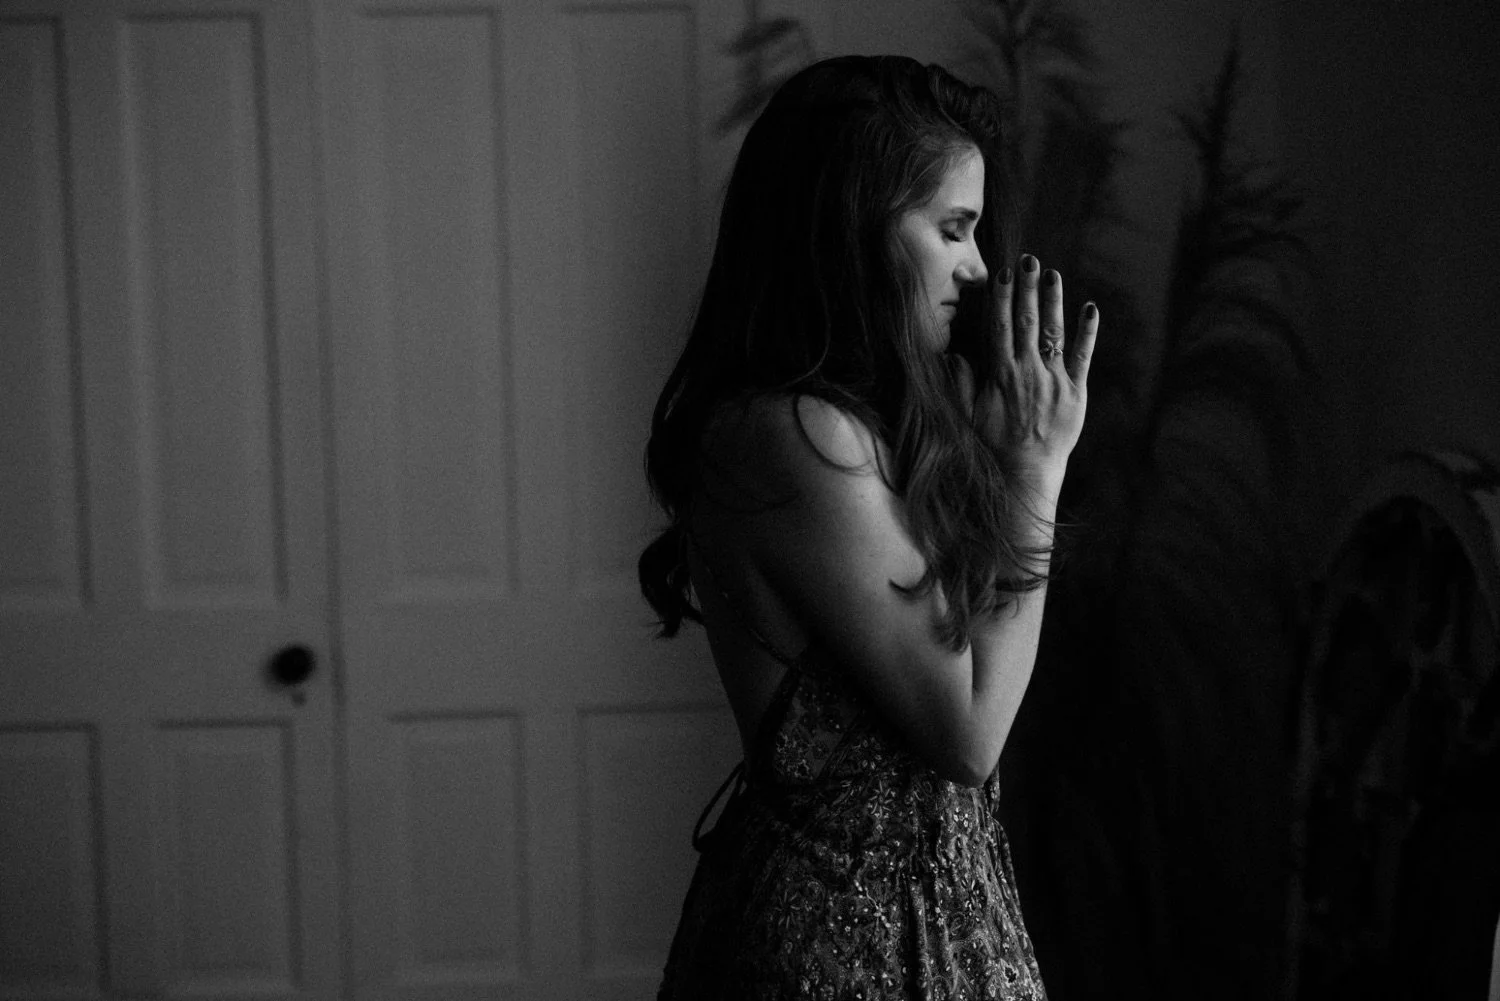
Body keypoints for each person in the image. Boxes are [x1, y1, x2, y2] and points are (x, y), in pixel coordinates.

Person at [639, 54, 1097, 999]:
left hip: (941, 914)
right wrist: (1035, 469)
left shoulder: (868, 424)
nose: (978, 271)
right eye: (954, 230)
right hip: (849, 949)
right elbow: (968, 732)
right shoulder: (789, 434)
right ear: (853, 229)